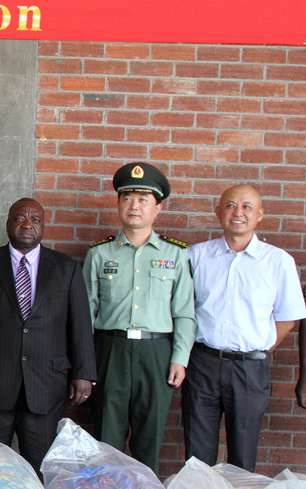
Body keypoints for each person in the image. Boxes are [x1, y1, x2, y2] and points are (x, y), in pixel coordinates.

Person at [0, 197, 97, 472]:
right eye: (19, 218)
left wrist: (84, 373)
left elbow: (80, 324)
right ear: (8, 224)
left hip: (45, 385)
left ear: (43, 226)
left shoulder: (66, 268)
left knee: (39, 467)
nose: (27, 225)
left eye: (35, 220)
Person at [183, 184, 305, 471]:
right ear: (218, 212)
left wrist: (258, 347)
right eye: (230, 205)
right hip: (202, 363)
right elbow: (182, 309)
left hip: (250, 368)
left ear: (260, 214)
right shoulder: (195, 256)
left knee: (243, 452)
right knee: (197, 454)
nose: (238, 212)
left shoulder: (278, 262)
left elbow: (288, 317)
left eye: (247, 207)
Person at [84, 162, 195, 473]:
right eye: (127, 198)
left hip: (156, 353)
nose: (134, 206)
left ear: (157, 208)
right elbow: (86, 312)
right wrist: (85, 363)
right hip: (110, 350)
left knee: (150, 438)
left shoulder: (175, 254)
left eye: (143, 200)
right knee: (107, 438)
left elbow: (185, 312)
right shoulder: (99, 254)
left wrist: (180, 358)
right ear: (118, 203)